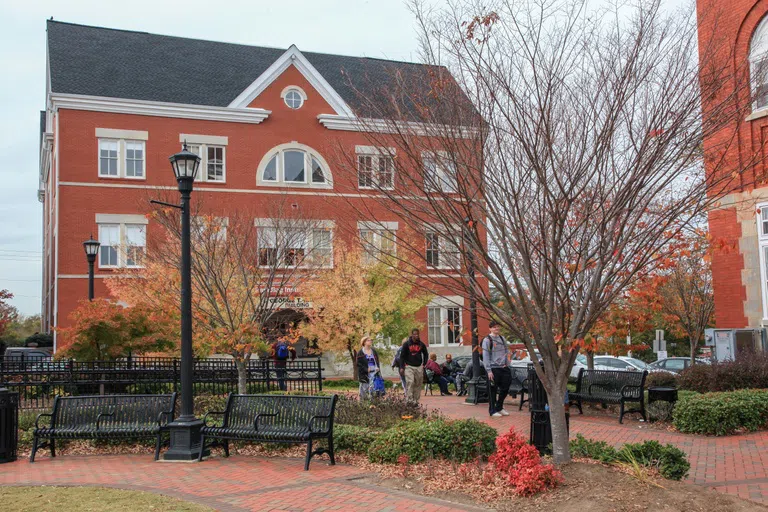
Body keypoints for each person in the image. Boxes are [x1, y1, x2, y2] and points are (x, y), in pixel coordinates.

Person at [482, 321, 512, 417]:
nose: (497, 329)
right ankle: (492, 410)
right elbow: (485, 356)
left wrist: (507, 363)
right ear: (490, 328)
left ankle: (499, 407)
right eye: (494, 327)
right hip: (493, 368)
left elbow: (507, 351)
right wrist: (489, 370)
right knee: (492, 390)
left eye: (498, 327)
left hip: (503, 367)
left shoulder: (502, 339)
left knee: (505, 388)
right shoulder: (487, 340)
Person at [398, 328, 429, 402]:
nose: (416, 335)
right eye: (414, 334)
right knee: (410, 382)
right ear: (412, 335)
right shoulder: (406, 344)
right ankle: (409, 400)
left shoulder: (421, 344)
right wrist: (402, 367)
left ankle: (415, 401)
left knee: (418, 384)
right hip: (409, 366)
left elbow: (426, 354)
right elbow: (402, 356)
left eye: (417, 334)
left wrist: (424, 363)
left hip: (418, 367)